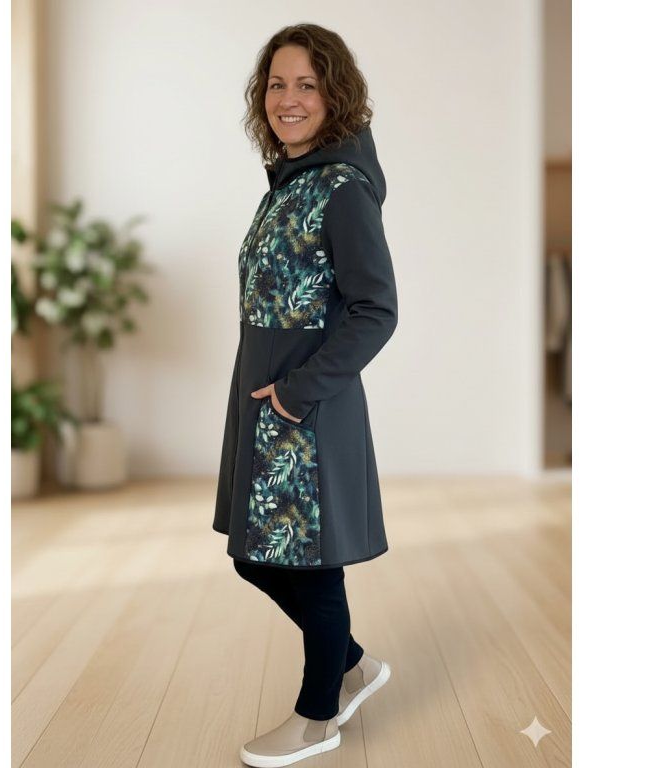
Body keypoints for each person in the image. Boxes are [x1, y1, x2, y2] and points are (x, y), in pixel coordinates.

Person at [212, 23, 397, 767]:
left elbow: (376, 310)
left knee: (313, 567)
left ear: (335, 94)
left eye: (307, 85)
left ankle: (319, 714)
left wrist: (296, 392)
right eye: (277, 84)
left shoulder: (343, 189)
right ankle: (352, 665)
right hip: (267, 406)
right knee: (255, 556)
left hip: (306, 408)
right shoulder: (291, 181)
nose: (288, 99)